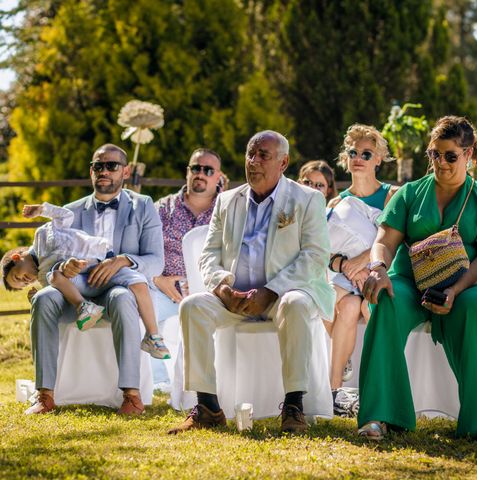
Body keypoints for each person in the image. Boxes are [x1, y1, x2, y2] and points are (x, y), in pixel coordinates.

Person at [168, 130, 335, 435]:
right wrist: (222, 288)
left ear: (283, 163)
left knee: (297, 303)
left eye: (264, 156)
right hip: (234, 297)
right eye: (250, 154)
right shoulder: (227, 200)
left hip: (282, 295)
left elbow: (315, 256)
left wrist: (271, 291)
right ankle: (207, 407)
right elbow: (209, 255)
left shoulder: (307, 199)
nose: (254, 161)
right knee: (192, 306)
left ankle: (294, 405)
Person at [357, 116, 477, 440]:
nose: (440, 162)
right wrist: (378, 269)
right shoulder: (410, 192)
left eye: (450, 155)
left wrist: (455, 289)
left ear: (468, 155)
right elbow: (384, 241)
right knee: (386, 298)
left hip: (468, 281)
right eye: (434, 154)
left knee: (473, 307)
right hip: (412, 281)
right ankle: (383, 416)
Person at [23, 143, 164, 416]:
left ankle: (131, 395)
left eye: (111, 166)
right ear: (91, 172)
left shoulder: (143, 206)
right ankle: (45, 394)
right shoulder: (70, 211)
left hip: (117, 286)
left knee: (124, 299)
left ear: (125, 171)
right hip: (76, 289)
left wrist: (121, 260)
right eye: (98, 166)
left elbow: (156, 260)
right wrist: (66, 266)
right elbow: (53, 255)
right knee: (42, 299)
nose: (104, 171)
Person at [2, 202, 169, 360]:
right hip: (82, 278)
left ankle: (153, 336)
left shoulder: (41, 235)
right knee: (54, 277)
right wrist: (37, 298)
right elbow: (59, 294)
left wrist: (42, 210)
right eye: (24, 284)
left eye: (18, 276)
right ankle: (85, 307)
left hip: (101, 259)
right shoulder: (43, 277)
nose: (26, 280)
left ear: (17, 258)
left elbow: (65, 216)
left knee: (139, 282)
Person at [325, 124, 398, 414]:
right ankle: (333, 393)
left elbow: (396, 240)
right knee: (343, 304)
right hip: (343, 278)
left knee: (366, 306)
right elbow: (325, 253)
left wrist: (363, 260)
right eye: (353, 152)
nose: (358, 158)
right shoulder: (336, 203)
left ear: (378, 159)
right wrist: (346, 265)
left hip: (380, 271)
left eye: (366, 153)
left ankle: (376, 395)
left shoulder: (392, 195)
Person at [151, 148, 224, 386]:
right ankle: (158, 382)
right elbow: (144, 250)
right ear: (188, 172)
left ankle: (210, 381)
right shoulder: (163, 208)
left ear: (218, 177)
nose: (200, 174)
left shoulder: (228, 209)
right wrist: (157, 279)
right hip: (165, 291)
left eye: (208, 170)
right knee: (138, 306)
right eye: (196, 168)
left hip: (211, 295)